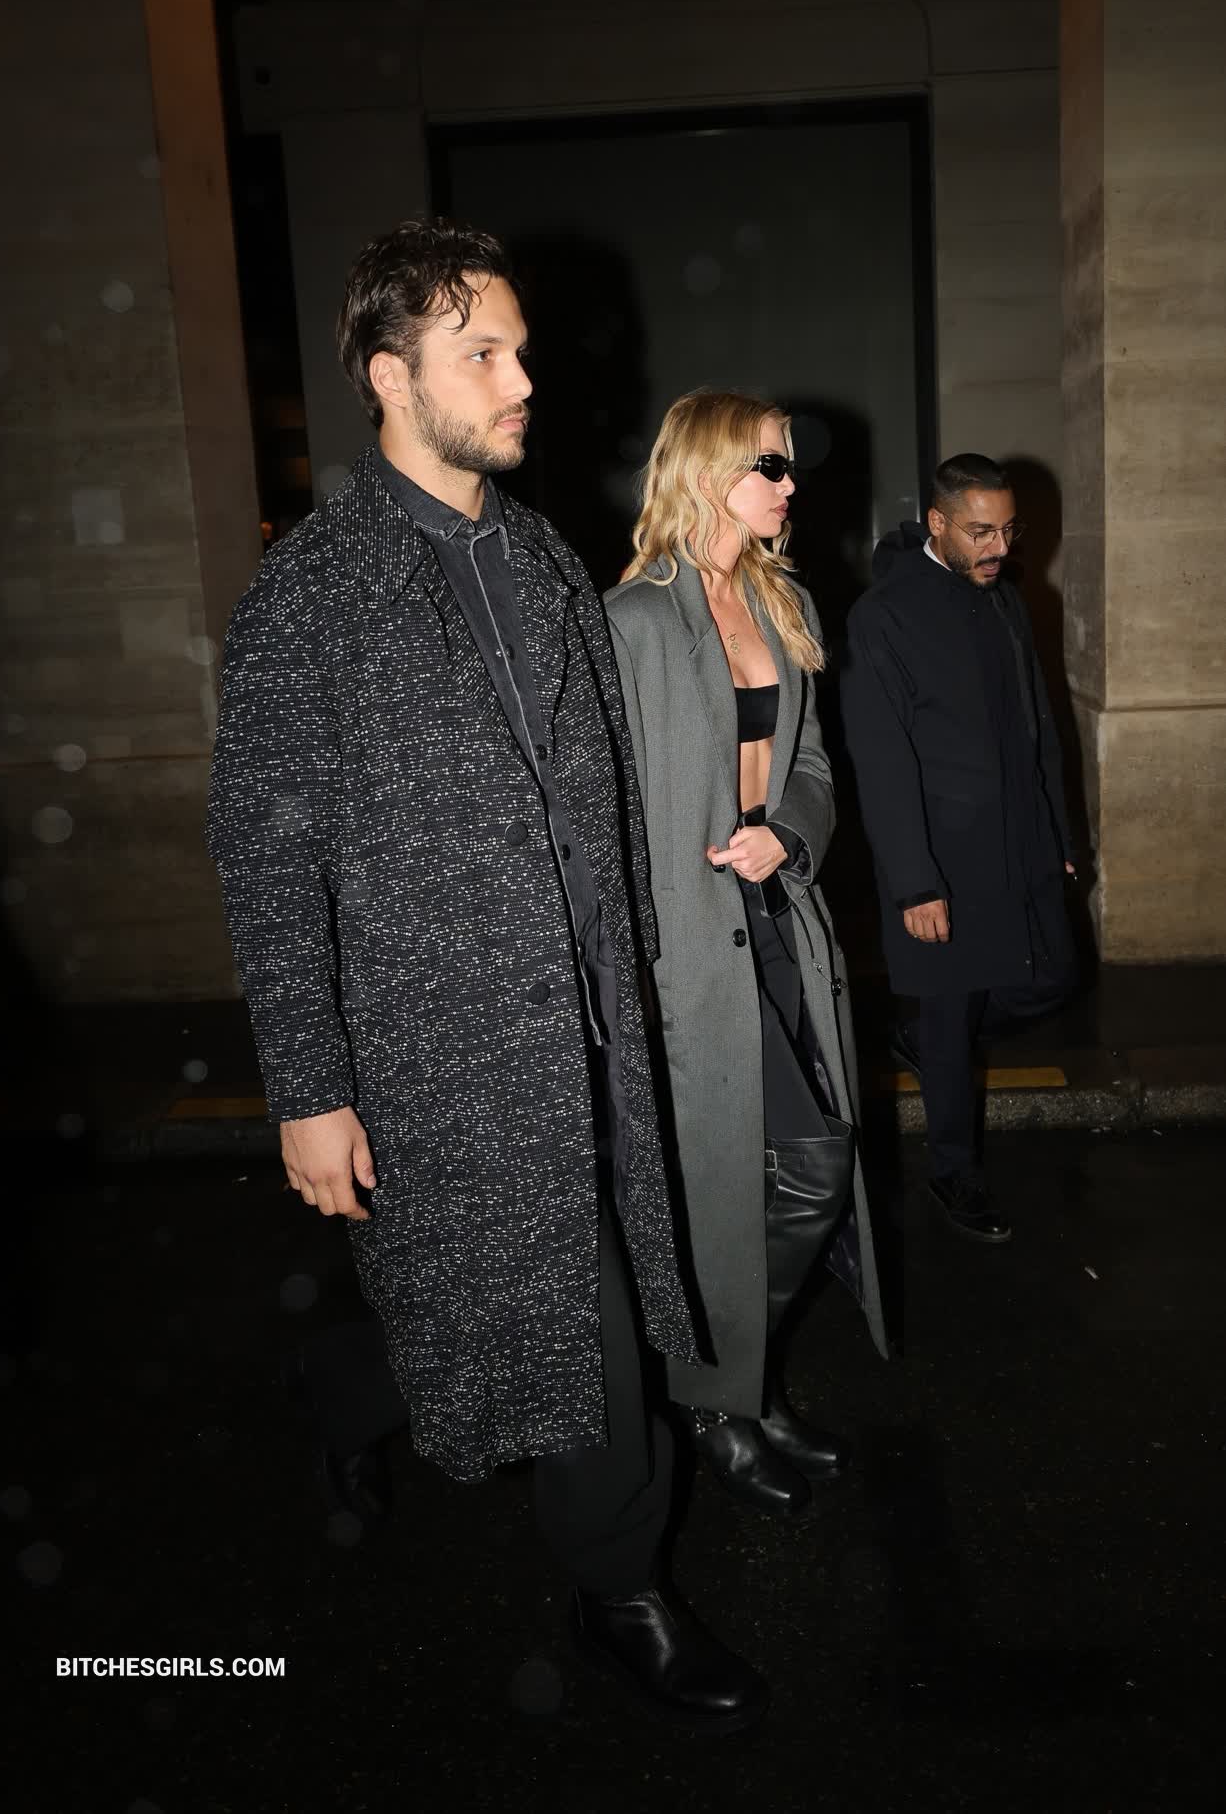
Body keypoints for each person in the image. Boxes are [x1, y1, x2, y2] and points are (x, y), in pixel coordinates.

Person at [206, 219, 766, 1731]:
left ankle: (345, 1385)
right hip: (433, 1051)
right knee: (570, 1323)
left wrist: (639, 982)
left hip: (586, 1033)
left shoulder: (545, 560)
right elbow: (266, 854)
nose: (524, 382)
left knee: (521, 1305)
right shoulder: (308, 593)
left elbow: (600, 796)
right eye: (484, 355)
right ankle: (620, 1590)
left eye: (520, 350)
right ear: (392, 376)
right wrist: (309, 1089)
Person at [603, 391, 887, 1519]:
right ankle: (719, 1399)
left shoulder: (783, 599)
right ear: (709, 471)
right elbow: (601, 808)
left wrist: (788, 836)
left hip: (779, 917)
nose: (789, 483)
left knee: (806, 1166)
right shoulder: (632, 620)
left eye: (788, 465)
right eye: (769, 464)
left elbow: (812, 766)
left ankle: (733, 1385)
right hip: (688, 947)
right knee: (757, 1175)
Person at [839, 453, 1077, 1243]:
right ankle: (953, 1171)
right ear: (936, 523)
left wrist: (1058, 832)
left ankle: (918, 1042)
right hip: (941, 855)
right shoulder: (884, 616)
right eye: (980, 531)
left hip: (1021, 837)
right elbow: (881, 759)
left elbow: (1038, 727)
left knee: (1052, 976)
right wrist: (914, 882)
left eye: (1008, 530)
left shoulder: (1004, 596)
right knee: (950, 1012)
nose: (999, 547)